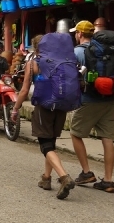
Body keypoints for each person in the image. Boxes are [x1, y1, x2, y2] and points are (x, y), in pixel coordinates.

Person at [11, 35, 76, 200]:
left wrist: (15, 109)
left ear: (36, 48)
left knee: (45, 146)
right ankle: (46, 178)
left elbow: (24, 90)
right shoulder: (64, 61)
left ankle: (64, 177)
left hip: (44, 108)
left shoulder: (34, 63)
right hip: (61, 107)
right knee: (51, 143)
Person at [69, 20, 114, 193]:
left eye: (76, 33)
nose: (75, 35)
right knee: (107, 139)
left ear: (80, 34)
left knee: (75, 133)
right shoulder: (107, 50)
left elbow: (71, 76)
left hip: (89, 99)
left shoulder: (77, 52)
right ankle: (108, 180)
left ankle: (86, 172)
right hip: (110, 99)